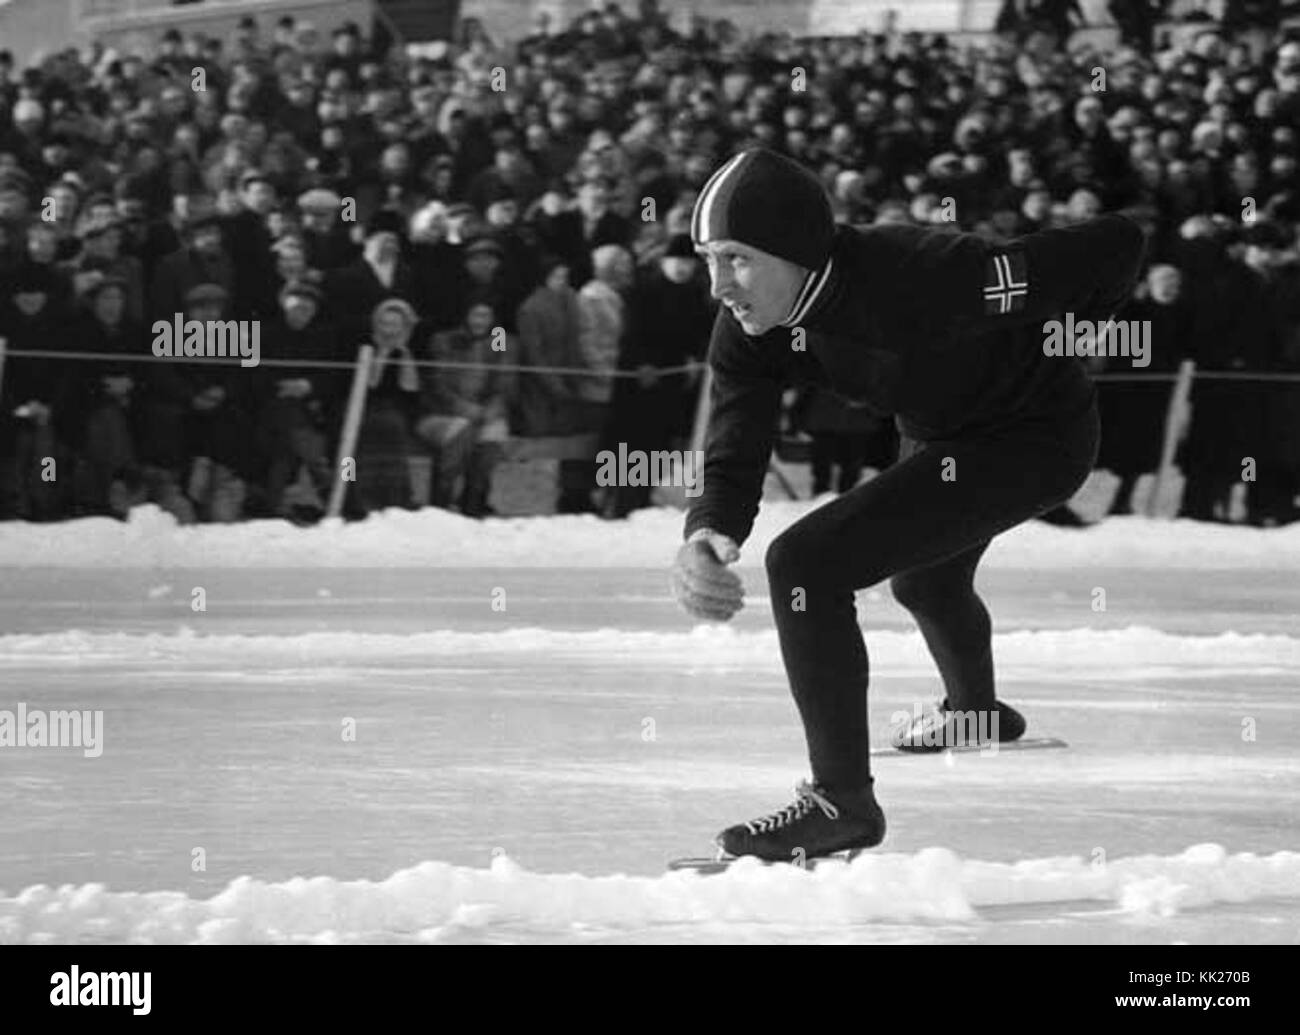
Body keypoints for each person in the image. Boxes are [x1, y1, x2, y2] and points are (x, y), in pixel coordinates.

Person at [670, 148, 1146, 862]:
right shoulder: (748, 322)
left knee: (807, 564)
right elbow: (738, 429)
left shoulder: (929, 273)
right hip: (937, 437)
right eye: (708, 258)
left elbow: (1117, 244)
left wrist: (1066, 343)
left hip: (1035, 437)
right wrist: (708, 526)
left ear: (793, 249)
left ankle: (840, 803)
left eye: (736, 258)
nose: (719, 284)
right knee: (925, 577)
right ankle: (976, 711)